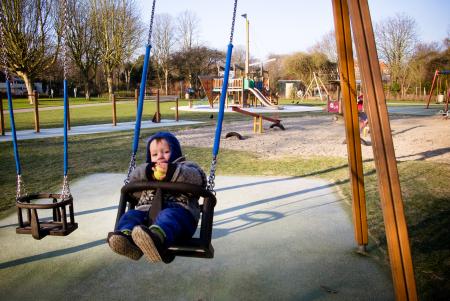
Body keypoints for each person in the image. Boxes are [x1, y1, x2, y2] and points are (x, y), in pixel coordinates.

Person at [107, 132, 207, 263]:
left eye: (165, 152)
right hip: (145, 214)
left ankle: (157, 240)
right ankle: (128, 239)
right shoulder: (145, 171)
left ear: (176, 152)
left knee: (168, 215)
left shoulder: (187, 166)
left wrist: (171, 171)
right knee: (130, 215)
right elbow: (133, 185)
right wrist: (149, 171)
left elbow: (199, 179)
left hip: (180, 214)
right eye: (154, 154)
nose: (160, 157)